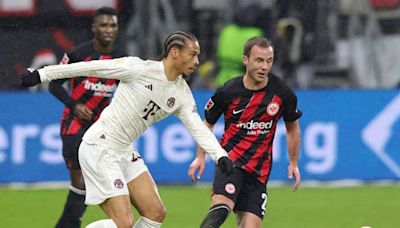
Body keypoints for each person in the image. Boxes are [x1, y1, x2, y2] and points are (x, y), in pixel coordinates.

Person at [20, 31, 234, 228]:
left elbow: (198, 127)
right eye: (193, 54)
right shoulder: (139, 69)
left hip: (124, 150)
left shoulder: (181, 93)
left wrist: (220, 156)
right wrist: (42, 74)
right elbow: (90, 67)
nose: (197, 61)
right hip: (99, 147)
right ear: (175, 52)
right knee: (123, 223)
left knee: (155, 213)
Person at [188, 36, 302, 228]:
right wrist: (200, 157)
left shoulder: (282, 93)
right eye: (259, 60)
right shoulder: (228, 91)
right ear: (245, 60)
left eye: (269, 61)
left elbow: (292, 128)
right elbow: (207, 124)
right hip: (230, 162)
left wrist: (293, 162)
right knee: (220, 211)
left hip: (259, 171)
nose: (265, 66)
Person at [46, 7, 126, 228]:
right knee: (81, 183)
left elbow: (129, 90)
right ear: (94, 28)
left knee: (94, 183)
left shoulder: (121, 59)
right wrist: (75, 104)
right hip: (74, 126)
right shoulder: (77, 55)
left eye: (113, 25)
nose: (108, 30)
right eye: (103, 25)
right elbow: (53, 84)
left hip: (102, 130)